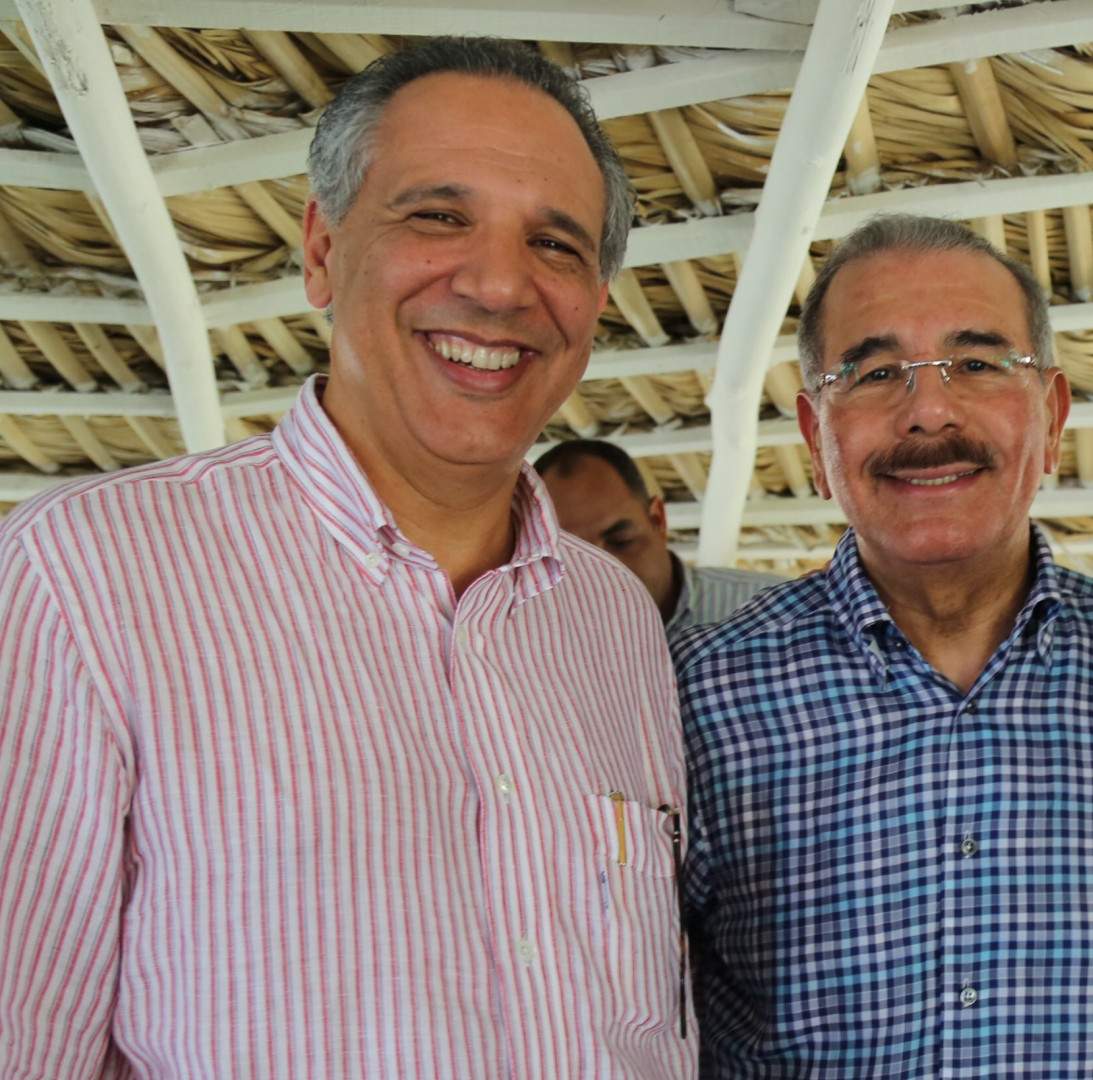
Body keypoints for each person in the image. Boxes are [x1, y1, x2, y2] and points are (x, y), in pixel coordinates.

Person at [0, 38, 696, 1078]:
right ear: (322, 250)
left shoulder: (614, 620)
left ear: (597, 301)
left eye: (555, 243)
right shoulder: (83, 575)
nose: (499, 283)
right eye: (438, 217)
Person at [673, 214, 1093, 1078]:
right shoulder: (706, 694)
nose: (929, 412)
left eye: (978, 365)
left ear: (1052, 415)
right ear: (814, 435)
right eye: (875, 373)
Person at [536, 439, 781, 636]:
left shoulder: (771, 614)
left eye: (621, 542)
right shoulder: (540, 643)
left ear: (658, 520)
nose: (605, 571)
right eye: (573, 557)